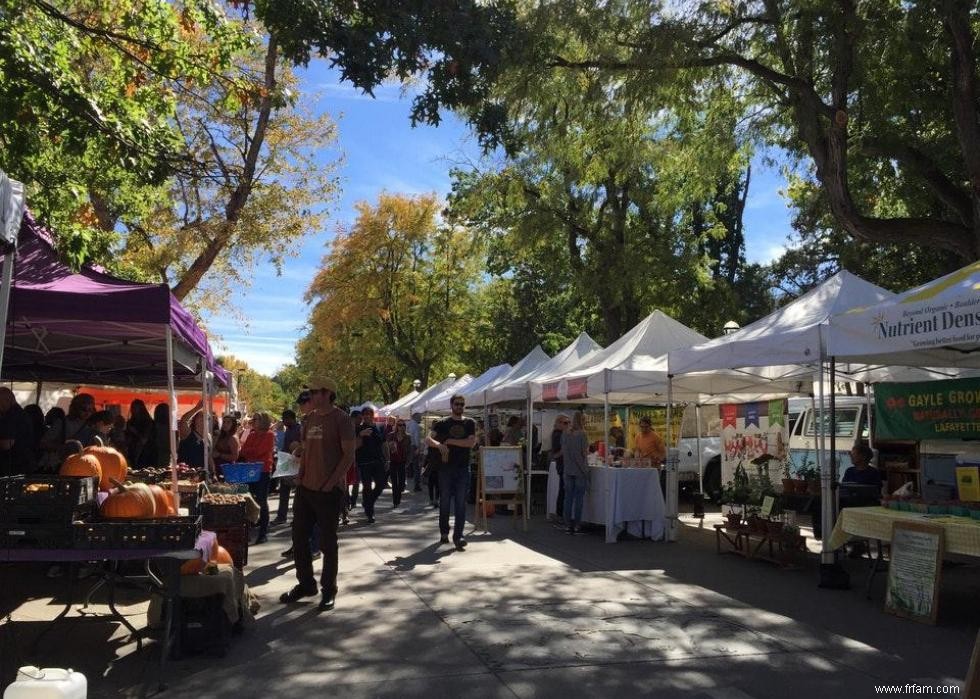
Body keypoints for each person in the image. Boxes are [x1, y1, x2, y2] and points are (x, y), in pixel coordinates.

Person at [280, 376, 354, 612]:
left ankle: (328, 590)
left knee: (327, 543)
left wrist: (331, 483)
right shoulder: (308, 419)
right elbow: (306, 450)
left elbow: (349, 455)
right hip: (306, 489)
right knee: (299, 538)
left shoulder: (341, 419)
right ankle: (306, 584)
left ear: (327, 393)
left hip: (328, 491)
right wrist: (300, 474)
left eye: (314, 392)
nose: (310, 396)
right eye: (310, 392)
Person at [427, 394, 476, 551]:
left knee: (461, 503)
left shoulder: (470, 423)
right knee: (445, 502)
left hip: (463, 468)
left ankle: (459, 536)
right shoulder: (442, 423)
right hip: (445, 469)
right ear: (451, 405)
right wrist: (438, 445)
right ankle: (444, 532)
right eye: (457, 404)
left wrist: (449, 441)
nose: (460, 407)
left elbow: (471, 443)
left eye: (462, 404)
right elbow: (427, 440)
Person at [240, 412, 275, 544]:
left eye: (255, 419)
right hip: (250, 470)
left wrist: (251, 451)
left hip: (263, 471)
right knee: (248, 500)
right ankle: (247, 532)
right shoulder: (252, 434)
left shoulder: (270, 435)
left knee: (262, 501)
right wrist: (252, 451)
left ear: (263, 421)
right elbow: (243, 451)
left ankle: (263, 533)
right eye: (253, 419)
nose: (253, 421)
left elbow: (259, 451)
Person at [355, 406, 386, 524]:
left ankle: (368, 502)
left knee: (381, 484)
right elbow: (354, 446)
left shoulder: (379, 427)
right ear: (362, 416)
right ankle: (370, 513)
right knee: (367, 487)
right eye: (365, 414)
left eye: (370, 414)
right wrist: (360, 435)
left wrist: (387, 460)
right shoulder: (358, 429)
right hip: (364, 462)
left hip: (378, 461)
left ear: (373, 416)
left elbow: (383, 444)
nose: (367, 416)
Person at [561, 411, 590, 534]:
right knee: (578, 499)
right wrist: (585, 469)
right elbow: (584, 454)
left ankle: (567, 524)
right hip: (579, 470)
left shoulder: (565, 433)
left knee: (568, 498)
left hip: (568, 469)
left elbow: (563, 451)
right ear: (582, 420)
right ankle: (577, 524)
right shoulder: (583, 434)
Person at [272, 409, 302, 525]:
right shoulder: (288, 430)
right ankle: (281, 516)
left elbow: (300, 445)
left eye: (285, 419)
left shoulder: (299, 429)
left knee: (298, 493)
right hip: (285, 461)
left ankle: (297, 518)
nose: (283, 422)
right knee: (284, 491)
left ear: (291, 419)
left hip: (295, 462)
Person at [0, 388, 36, 476]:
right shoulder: (21, 414)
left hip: (12, 467)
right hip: (22, 464)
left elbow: (7, 444)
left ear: (7, 399)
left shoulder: (11, 416)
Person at [388, 419, 412, 508]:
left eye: (403, 425)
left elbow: (409, 451)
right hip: (393, 461)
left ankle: (398, 496)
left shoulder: (408, 437)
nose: (401, 427)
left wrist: (408, 462)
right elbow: (386, 448)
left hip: (403, 462)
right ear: (396, 426)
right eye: (399, 425)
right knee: (394, 482)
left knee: (401, 483)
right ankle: (396, 501)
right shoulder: (391, 435)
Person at [550, 414, 570, 527]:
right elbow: (556, 453)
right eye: (565, 423)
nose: (568, 425)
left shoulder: (563, 434)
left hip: (565, 465)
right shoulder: (557, 435)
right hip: (563, 465)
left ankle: (562, 514)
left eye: (569, 422)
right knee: (563, 490)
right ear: (558, 423)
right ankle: (560, 514)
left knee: (564, 490)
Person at [125, 399, 155, 466]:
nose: (134, 410)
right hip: (132, 453)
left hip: (145, 453)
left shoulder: (147, 422)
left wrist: (134, 431)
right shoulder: (131, 422)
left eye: (136, 408)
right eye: (133, 408)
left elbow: (144, 439)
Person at [37, 407, 67, 473]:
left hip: (50, 463)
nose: (46, 416)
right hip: (56, 462)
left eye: (48, 414)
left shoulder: (57, 424)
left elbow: (44, 443)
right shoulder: (62, 425)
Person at [212, 414, 241, 478]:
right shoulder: (222, 435)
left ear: (233, 424)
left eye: (228, 422)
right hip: (218, 467)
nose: (225, 424)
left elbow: (235, 457)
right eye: (224, 422)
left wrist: (219, 455)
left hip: (227, 469)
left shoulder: (232, 438)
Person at [407, 412, 423, 491]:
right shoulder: (416, 426)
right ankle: (417, 485)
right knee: (416, 467)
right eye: (420, 417)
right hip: (414, 447)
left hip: (407, 446)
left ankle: (402, 483)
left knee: (406, 464)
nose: (421, 418)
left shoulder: (408, 424)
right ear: (415, 417)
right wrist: (418, 448)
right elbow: (417, 439)